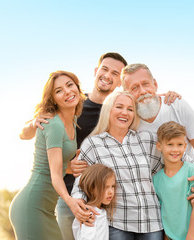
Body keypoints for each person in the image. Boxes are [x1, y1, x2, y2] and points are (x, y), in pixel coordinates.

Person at [19, 52, 128, 240]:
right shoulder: (72, 103)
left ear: (120, 82)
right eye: (104, 69)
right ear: (96, 71)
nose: (108, 76)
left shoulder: (116, 112)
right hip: (68, 196)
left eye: (115, 73)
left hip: (104, 203)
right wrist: (33, 123)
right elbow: (25, 133)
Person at [72, 91, 194, 239]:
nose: (124, 113)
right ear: (108, 109)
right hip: (116, 222)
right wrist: (78, 203)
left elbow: (181, 156)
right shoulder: (93, 144)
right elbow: (81, 182)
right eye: (119, 107)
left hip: (152, 223)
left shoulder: (147, 140)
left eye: (130, 109)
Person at [120, 63, 194, 203]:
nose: (142, 91)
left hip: (187, 192)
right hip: (151, 200)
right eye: (134, 88)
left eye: (145, 84)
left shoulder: (176, 105)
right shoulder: (127, 119)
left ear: (155, 84)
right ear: (127, 94)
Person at [9, 70, 90, 240]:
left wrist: (71, 167)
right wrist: (70, 201)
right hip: (31, 207)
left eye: (70, 85)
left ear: (77, 87)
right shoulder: (54, 124)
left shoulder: (72, 122)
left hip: (46, 208)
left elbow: (58, 168)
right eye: (58, 90)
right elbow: (54, 173)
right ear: (53, 99)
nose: (67, 91)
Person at [153, 121, 194, 240]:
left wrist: (190, 238)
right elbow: (165, 213)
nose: (175, 150)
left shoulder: (192, 171)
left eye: (179, 144)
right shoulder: (156, 180)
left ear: (185, 146)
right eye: (170, 144)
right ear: (159, 146)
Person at [72, 164, 116, 240]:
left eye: (112, 186)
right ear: (92, 188)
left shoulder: (100, 210)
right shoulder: (89, 213)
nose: (111, 192)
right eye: (105, 187)